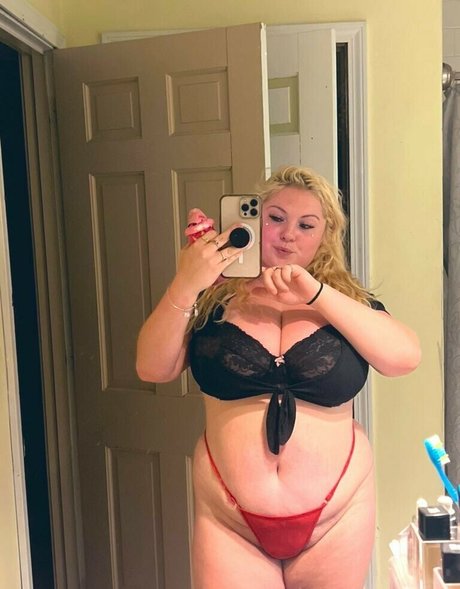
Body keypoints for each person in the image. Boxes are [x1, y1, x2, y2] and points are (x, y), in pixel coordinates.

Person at [136, 166, 421, 589]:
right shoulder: (211, 298)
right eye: (275, 218)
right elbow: (152, 368)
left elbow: (404, 358)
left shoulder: (345, 301)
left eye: (306, 225)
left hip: (337, 518)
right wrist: (186, 283)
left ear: (324, 236)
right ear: (254, 221)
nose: (289, 234)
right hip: (230, 521)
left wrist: (316, 294)